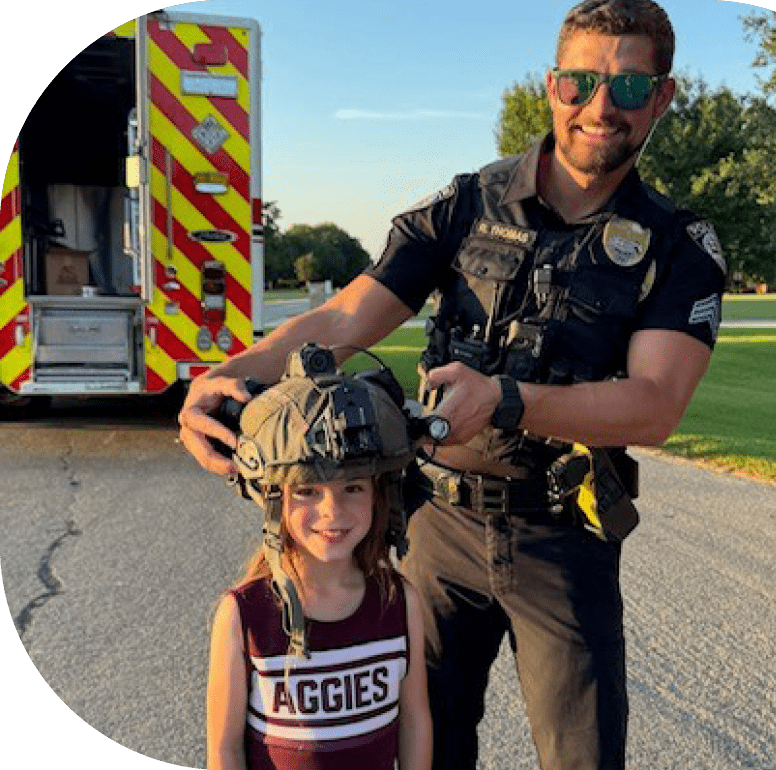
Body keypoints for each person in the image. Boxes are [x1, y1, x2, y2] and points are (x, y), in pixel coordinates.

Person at [184, 1, 727, 767]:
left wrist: (507, 399)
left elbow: (655, 406)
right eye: (580, 82)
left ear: (662, 97)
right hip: (435, 527)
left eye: (630, 88)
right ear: (551, 86)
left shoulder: (677, 245)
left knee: (583, 754)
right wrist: (228, 374)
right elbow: (344, 319)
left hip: (562, 534)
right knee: (425, 749)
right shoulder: (468, 204)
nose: (600, 107)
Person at [205, 346, 432, 770]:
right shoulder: (243, 613)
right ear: (274, 499)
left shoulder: (400, 601)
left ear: (379, 495)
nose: (333, 512)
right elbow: (224, 749)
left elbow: (415, 719)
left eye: (354, 488)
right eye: (307, 491)